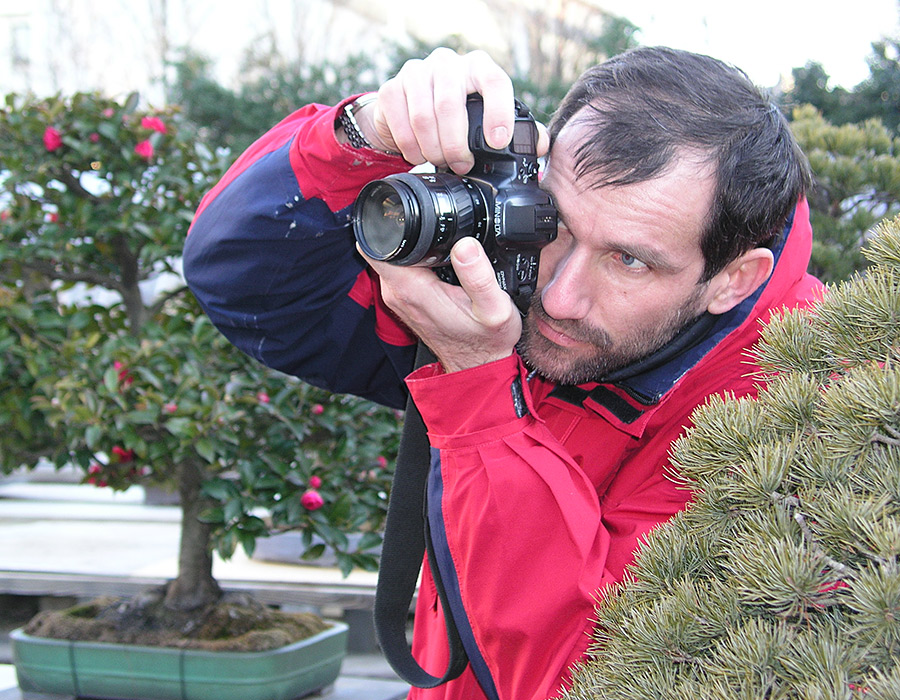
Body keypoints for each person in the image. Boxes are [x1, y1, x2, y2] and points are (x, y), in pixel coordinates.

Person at [183, 45, 823, 700]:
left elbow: (581, 680)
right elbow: (245, 282)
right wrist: (364, 134)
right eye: (555, 224)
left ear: (733, 279)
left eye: (629, 261)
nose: (559, 299)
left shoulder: (801, 427)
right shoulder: (516, 294)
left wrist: (479, 390)